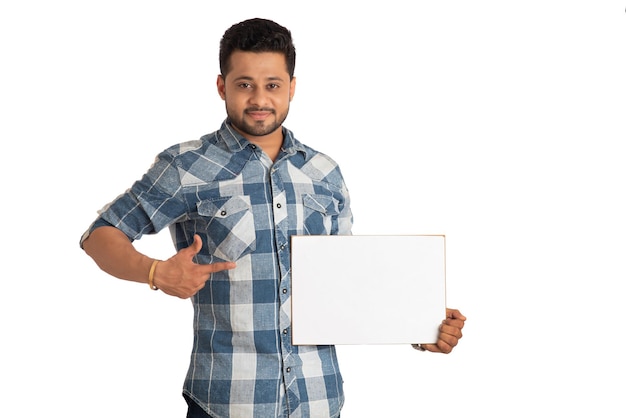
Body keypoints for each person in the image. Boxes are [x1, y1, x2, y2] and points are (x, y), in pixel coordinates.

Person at [80, 17, 466, 418]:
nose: (259, 99)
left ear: (292, 88)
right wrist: (156, 272)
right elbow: (99, 235)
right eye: (244, 84)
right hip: (226, 403)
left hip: (318, 401)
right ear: (221, 86)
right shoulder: (185, 166)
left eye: (273, 85)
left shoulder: (324, 173)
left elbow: (351, 288)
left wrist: (421, 328)